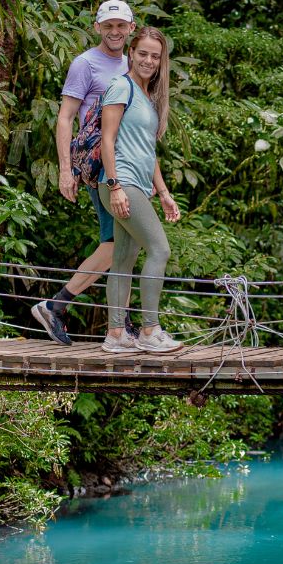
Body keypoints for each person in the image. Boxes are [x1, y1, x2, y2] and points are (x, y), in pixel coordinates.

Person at [31, 0, 138, 345]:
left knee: (123, 245)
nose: (114, 32)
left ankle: (119, 324)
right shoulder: (85, 64)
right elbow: (65, 118)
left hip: (128, 165)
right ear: (97, 28)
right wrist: (66, 170)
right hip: (101, 166)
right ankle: (57, 306)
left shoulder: (134, 63)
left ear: (131, 28)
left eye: (120, 26)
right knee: (116, 244)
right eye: (108, 26)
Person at [98, 25, 183, 354]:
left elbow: (148, 152)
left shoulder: (147, 97)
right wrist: (115, 185)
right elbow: (107, 140)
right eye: (143, 53)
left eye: (155, 56)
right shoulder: (121, 86)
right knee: (160, 250)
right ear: (131, 53)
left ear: (161, 61)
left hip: (137, 185)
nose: (148, 60)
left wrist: (163, 193)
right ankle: (150, 330)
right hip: (122, 183)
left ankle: (116, 334)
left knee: (123, 260)